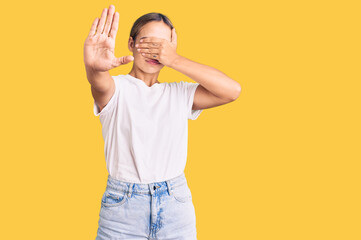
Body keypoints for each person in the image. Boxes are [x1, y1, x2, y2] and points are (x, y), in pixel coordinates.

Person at [84, 4, 241, 240]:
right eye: (147, 43)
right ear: (130, 44)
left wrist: (175, 59)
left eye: (162, 46)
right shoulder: (117, 89)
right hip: (122, 209)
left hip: (175, 205)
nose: (154, 52)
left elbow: (232, 90)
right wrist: (93, 68)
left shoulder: (179, 94)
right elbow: (100, 83)